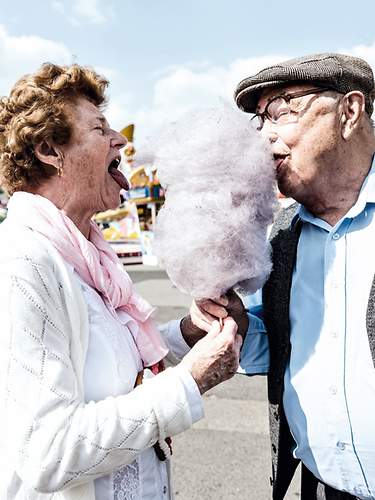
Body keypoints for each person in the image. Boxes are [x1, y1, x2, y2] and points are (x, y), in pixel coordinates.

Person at [0, 63, 243, 500]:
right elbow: (47, 452)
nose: (120, 139)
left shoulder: (85, 253)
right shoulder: (23, 264)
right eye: (99, 129)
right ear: (49, 150)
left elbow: (111, 361)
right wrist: (190, 381)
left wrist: (188, 333)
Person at [180, 53, 375, 499]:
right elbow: (280, 348)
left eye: (282, 110)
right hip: (321, 487)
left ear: (349, 111)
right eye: (258, 121)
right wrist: (237, 323)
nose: (265, 138)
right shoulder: (282, 235)